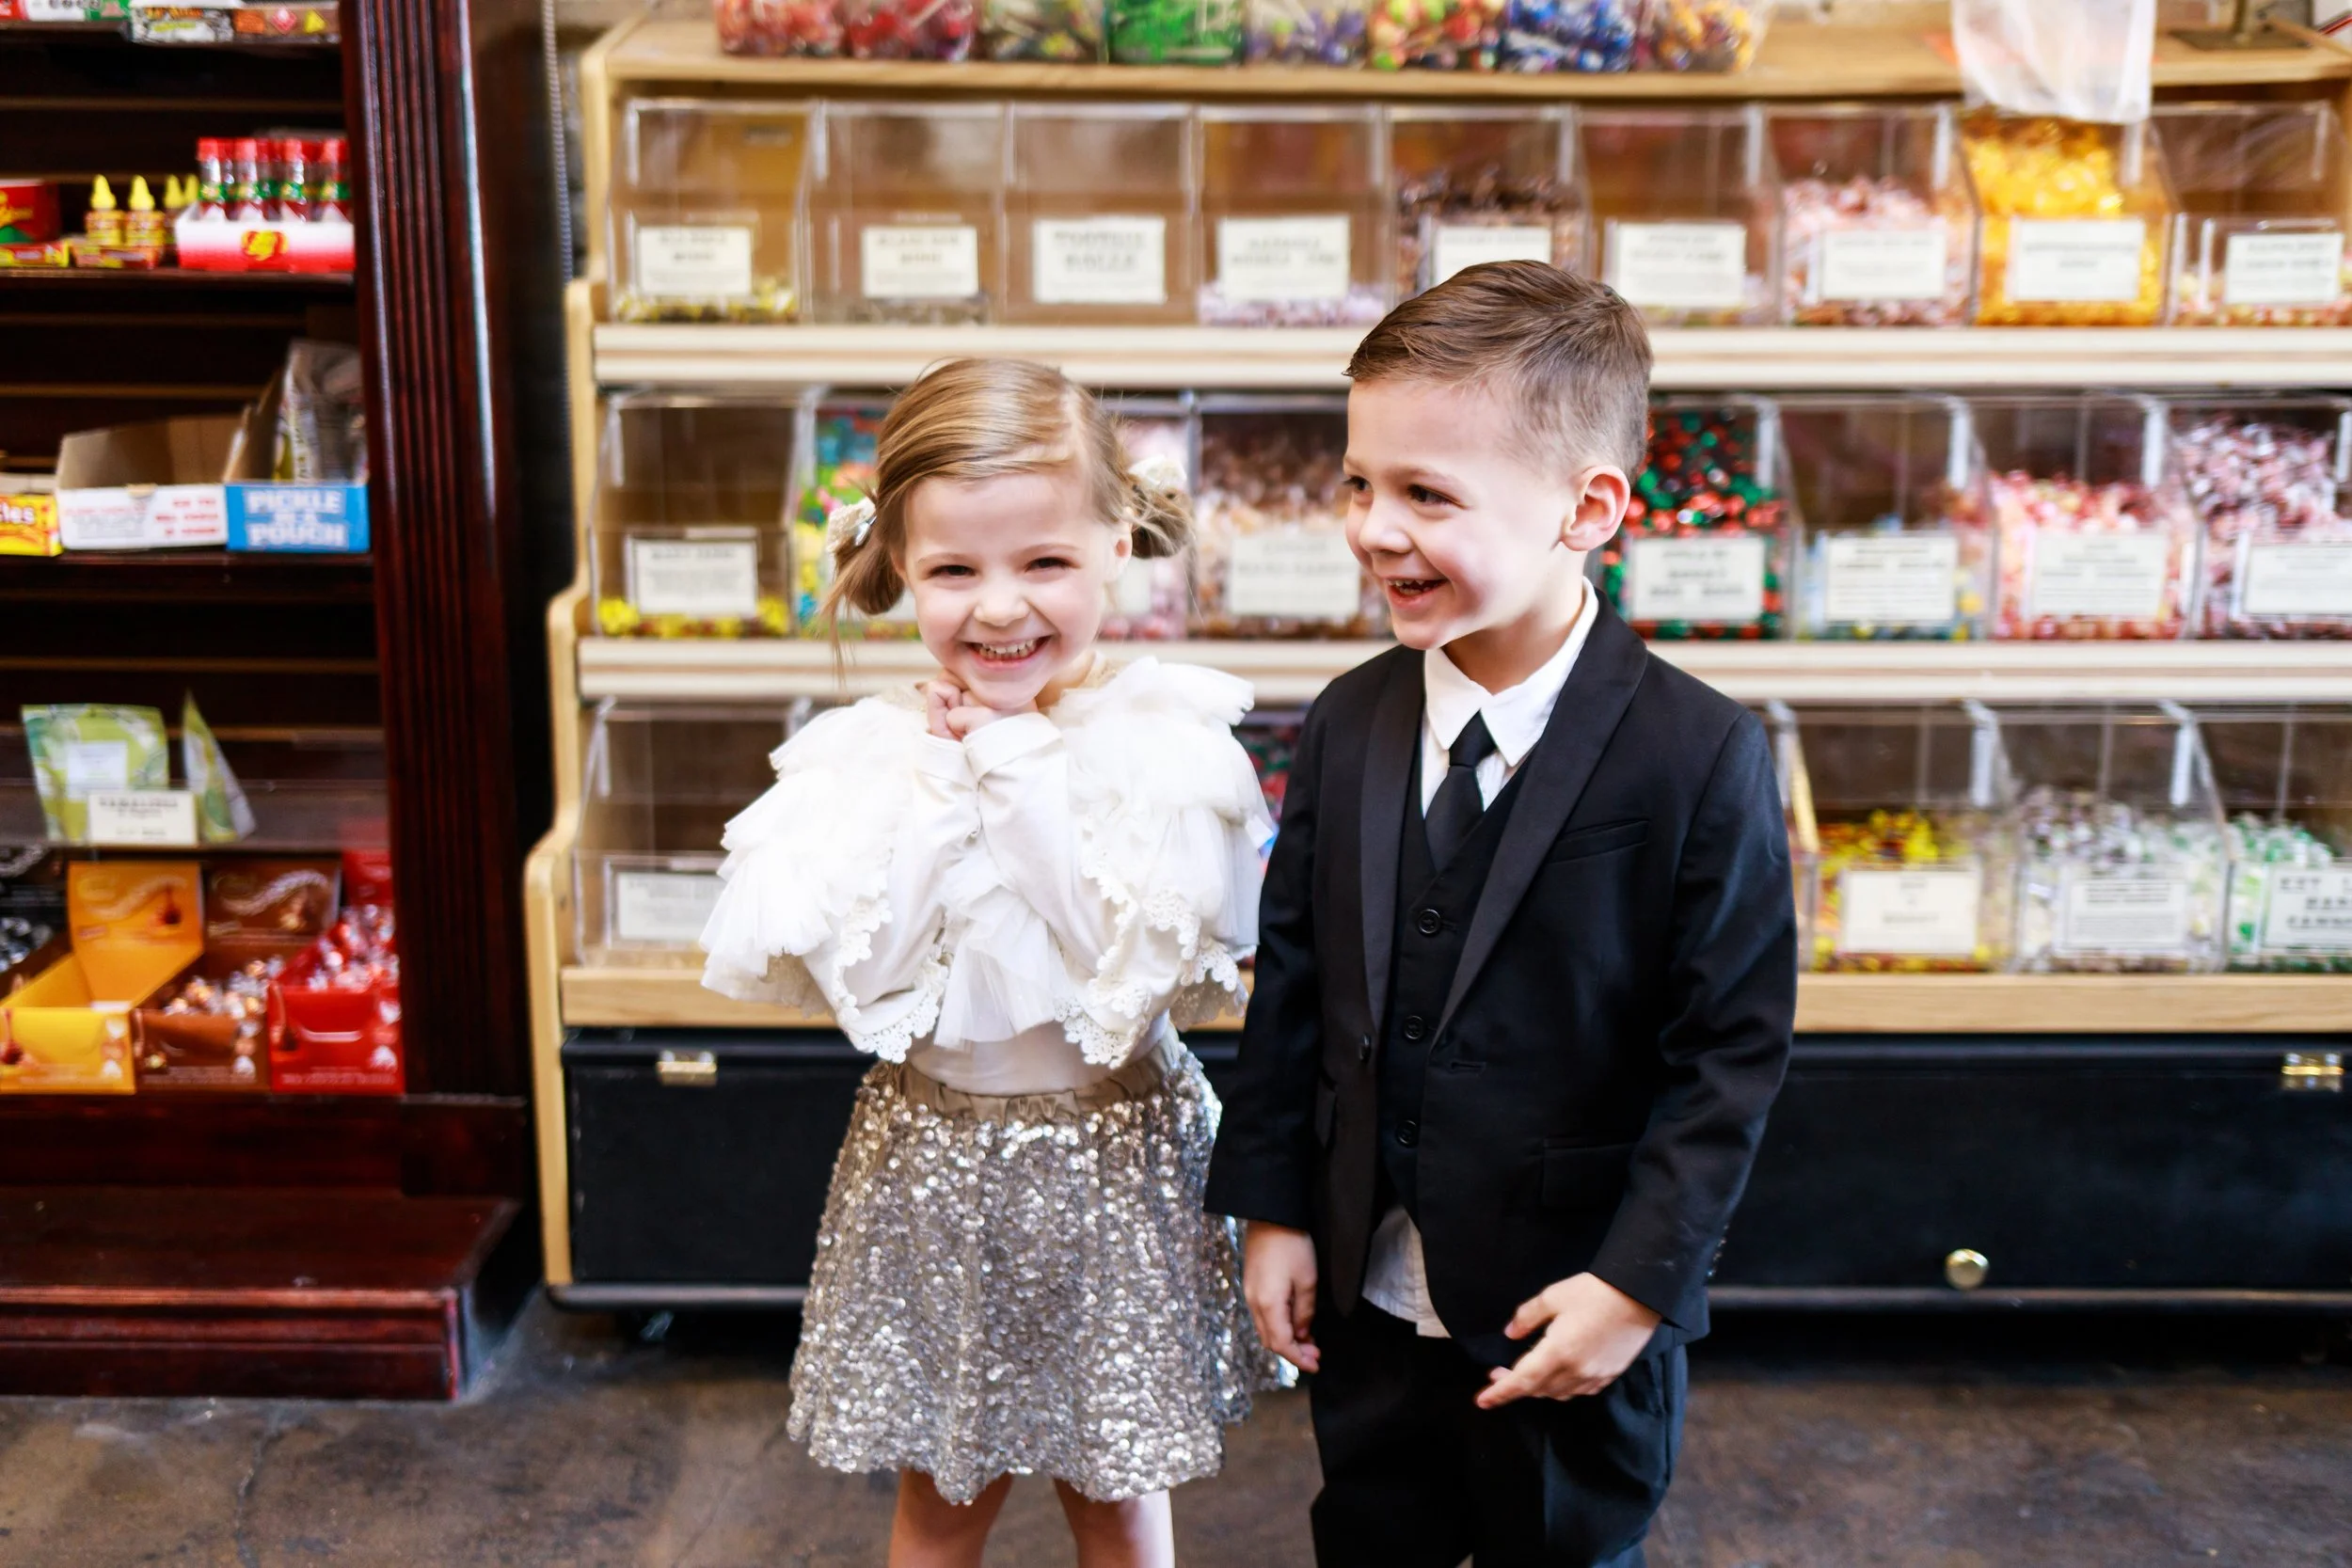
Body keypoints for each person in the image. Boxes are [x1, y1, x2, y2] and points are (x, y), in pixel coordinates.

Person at [1204, 261, 1797, 1568]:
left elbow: (1727, 1057)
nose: (1374, 526)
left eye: (1428, 493)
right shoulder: (1354, 718)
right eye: (1360, 482)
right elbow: (1293, 977)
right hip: (1366, 1283)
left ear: (1587, 507)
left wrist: (1640, 1282)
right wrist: (1275, 1207)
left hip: (1567, 1301)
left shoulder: (1697, 753)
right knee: (1370, 1531)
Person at [700, 357, 1282, 1568]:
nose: (1001, 607)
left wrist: (1014, 765)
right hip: (931, 1165)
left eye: (1045, 563)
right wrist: (941, 785)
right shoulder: (873, 753)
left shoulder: (1162, 750)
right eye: (955, 569)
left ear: (1117, 544)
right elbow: (876, 979)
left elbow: (1113, 963)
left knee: (1117, 1496)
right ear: (900, 565)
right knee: (940, 1497)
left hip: (1112, 1163)